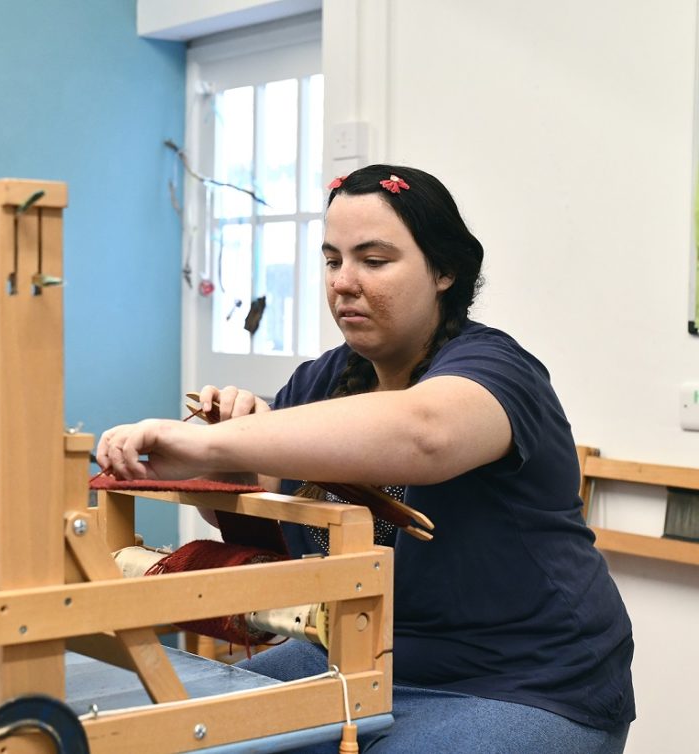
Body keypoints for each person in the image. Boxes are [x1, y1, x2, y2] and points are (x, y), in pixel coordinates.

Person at [97, 164, 635, 752]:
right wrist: (233, 457)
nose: (343, 282)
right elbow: (268, 510)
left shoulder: (499, 371)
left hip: (520, 682)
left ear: (445, 271)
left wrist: (203, 445)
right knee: (181, 734)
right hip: (351, 650)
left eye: (373, 261)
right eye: (333, 260)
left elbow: (423, 433)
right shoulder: (324, 379)